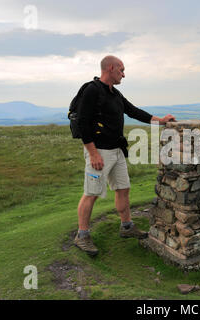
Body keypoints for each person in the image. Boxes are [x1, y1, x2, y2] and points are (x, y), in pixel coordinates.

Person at [74, 55, 176, 256]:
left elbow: (133, 111)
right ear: (110, 68)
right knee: (92, 193)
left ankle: (126, 227)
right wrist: (93, 154)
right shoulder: (92, 90)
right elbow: (82, 124)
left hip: (117, 150)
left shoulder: (115, 94)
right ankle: (82, 236)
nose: (124, 74)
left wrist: (160, 120)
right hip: (99, 152)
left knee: (123, 188)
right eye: (121, 69)